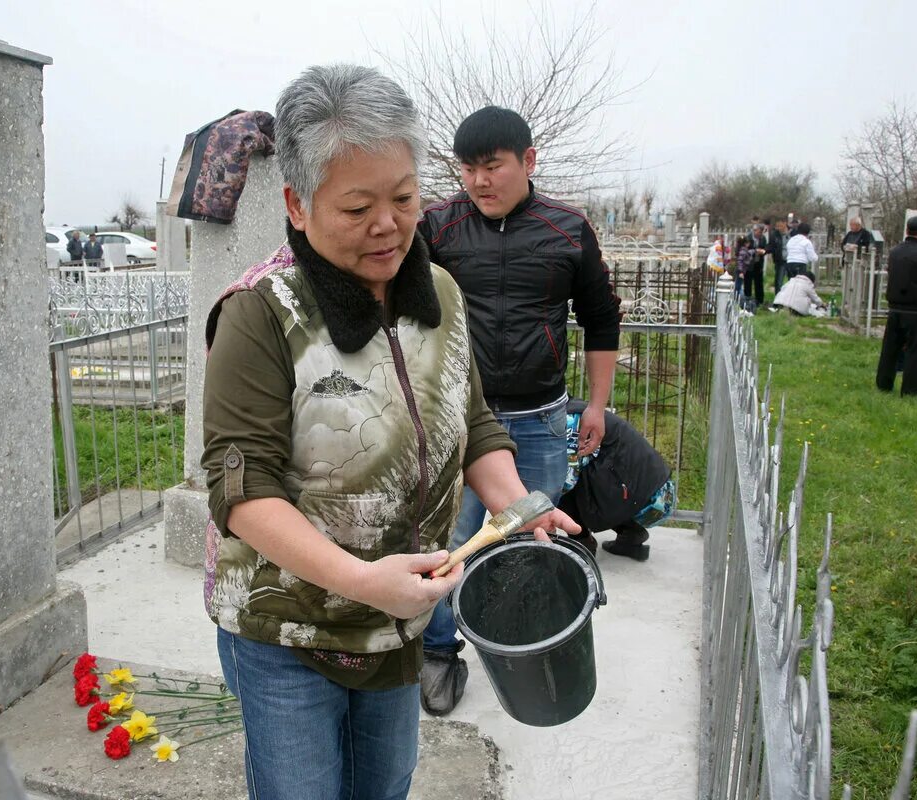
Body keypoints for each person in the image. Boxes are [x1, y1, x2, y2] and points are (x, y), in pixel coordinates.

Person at [201, 66, 578, 800]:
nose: (389, 225)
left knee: (385, 787)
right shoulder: (261, 313)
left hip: (398, 624)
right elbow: (241, 492)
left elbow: (469, 421)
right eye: (357, 206)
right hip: (289, 633)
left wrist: (518, 507)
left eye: (404, 198)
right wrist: (361, 582)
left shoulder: (436, 291)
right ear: (297, 204)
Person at [417, 105, 621, 717]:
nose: (480, 181)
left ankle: (526, 642)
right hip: (459, 420)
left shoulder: (566, 228)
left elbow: (601, 316)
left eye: (493, 166)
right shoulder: (438, 228)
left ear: (528, 161)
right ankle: (438, 653)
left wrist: (600, 406)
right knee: (450, 542)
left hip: (538, 419)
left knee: (534, 536)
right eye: (468, 168)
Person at [558, 399, 673, 562]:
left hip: (651, 500)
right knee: (576, 472)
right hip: (655, 494)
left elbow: (566, 481)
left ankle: (581, 544)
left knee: (559, 481)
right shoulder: (577, 408)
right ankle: (631, 534)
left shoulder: (569, 418)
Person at [875, 216, 917, 396]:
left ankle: (884, 384)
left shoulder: (895, 251)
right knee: (916, 351)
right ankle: (910, 390)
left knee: (890, 348)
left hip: (895, 307)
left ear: (907, 231)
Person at [744, 223, 768, 309]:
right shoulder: (748, 238)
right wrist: (754, 250)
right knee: (748, 282)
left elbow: (765, 248)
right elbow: (744, 250)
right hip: (749, 263)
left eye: (761, 232)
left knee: (759, 283)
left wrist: (763, 251)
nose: (760, 234)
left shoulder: (763, 239)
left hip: (758, 263)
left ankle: (759, 301)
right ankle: (747, 299)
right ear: (754, 231)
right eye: (759, 232)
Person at [768, 218, 788, 294]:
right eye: (777, 226)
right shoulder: (774, 235)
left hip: (791, 260)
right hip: (780, 260)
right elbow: (771, 246)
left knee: (793, 281)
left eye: (780, 226)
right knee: (778, 281)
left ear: (785, 224)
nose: (778, 228)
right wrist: (765, 251)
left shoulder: (792, 234)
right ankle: (778, 300)